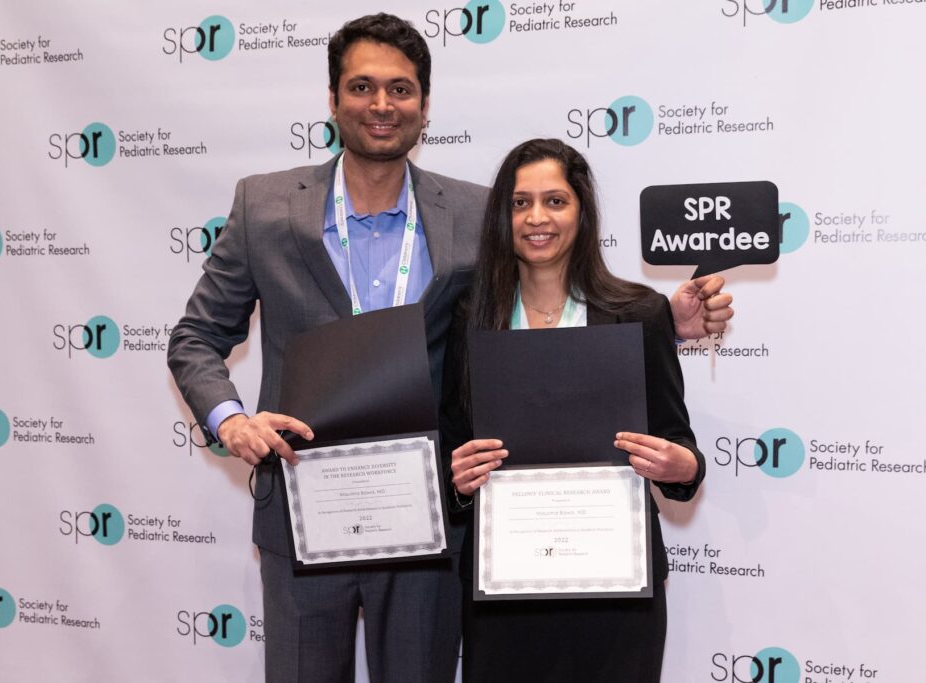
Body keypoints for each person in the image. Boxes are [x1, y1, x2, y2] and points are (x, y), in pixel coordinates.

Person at [168, 14, 728, 683]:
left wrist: (662, 321)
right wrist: (231, 420)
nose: (381, 105)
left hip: (430, 522)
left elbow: (546, 313)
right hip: (303, 512)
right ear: (332, 99)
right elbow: (196, 336)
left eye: (400, 89)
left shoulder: (477, 214)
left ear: (425, 107)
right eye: (363, 87)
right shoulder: (262, 209)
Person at [444, 138, 705, 682]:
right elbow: (453, 448)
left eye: (555, 201)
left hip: (615, 589)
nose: (537, 217)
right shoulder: (472, 317)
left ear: (582, 212)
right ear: (501, 217)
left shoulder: (639, 313)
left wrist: (681, 467)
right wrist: (459, 479)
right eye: (520, 203)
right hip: (505, 588)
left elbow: (681, 448)